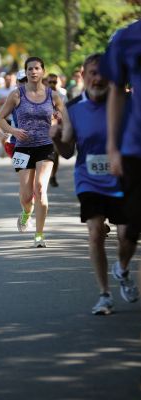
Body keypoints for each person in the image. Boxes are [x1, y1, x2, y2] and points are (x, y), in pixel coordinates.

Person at [50, 53, 139, 315]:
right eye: (92, 73)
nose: (98, 78)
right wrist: (56, 139)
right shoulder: (74, 108)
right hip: (89, 179)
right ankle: (104, 294)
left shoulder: (129, 104)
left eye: (103, 73)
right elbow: (67, 152)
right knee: (95, 231)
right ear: (83, 76)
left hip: (124, 178)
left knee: (127, 237)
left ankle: (121, 269)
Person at [0, 56, 65, 248]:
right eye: (30, 69)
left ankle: (39, 235)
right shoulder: (17, 95)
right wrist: (14, 131)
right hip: (23, 148)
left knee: (40, 189)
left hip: (45, 146)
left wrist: (59, 119)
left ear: (42, 71)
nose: (33, 72)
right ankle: (26, 213)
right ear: (25, 73)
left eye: (36, 68)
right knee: (27, 196)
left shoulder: (53, 96)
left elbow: (67, 120)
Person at [100, 19, 141, 295]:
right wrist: (112, 147)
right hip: (136, 148)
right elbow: (115, 91)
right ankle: (123, 266)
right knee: (129, 231)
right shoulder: (127, 38)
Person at [47, 73, 68, 187]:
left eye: (54, 82)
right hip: (44, 128)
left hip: (58, 127)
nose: (52, 84)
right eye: (49, 82)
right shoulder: (42, 94)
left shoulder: (63, 94)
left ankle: (53, 176)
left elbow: (66, 111)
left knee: (55, 154)